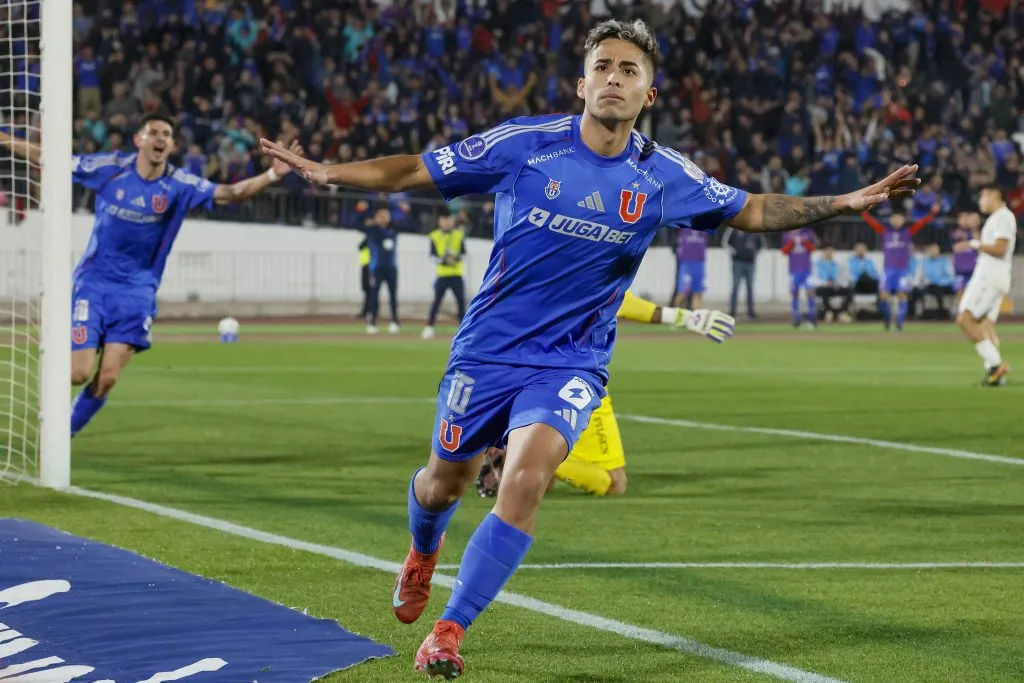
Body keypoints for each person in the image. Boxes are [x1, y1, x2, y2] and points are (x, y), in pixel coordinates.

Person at [260, 18, 919, 679]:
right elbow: (414, 169)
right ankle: (422, 552)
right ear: (581, 83)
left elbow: (752, 209)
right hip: (487, 350)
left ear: (648, 96)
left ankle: (449, 630)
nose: (614, 77)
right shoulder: (524, 145)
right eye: (603, 66)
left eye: (629, 71)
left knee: (525, 478)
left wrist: (847, 201)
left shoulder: (663, 174)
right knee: (442, 483)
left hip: (572, 360)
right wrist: (328, 173)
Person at [0, 113, 301, 437]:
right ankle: (48, 397)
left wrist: (271, 174)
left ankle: (59, 439)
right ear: (139, 140)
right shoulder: (110, 168)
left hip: (138, 293)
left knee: (108, 378)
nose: (160, 138)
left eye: (166, 134)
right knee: (78, 372)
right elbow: (51, 159)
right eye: (153, 132)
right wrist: (4, 139)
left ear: (171, 145)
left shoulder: (179, 185)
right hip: (94, 285)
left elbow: (231, 192)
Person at [474, 291, 734, 498]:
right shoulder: (590, 269)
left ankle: (521, 450)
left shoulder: (543, 273)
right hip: (579, 385)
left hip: (545, 381)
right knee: (612, 483)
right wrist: (685, 318)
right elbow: (621, 299)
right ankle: (516, 452)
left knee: (542, 482)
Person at [953, 186, 1016, 386]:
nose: (980, 200)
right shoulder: (997, 218)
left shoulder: (1003, 217)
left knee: (965, 319)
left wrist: (974, 244)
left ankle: (996, 365)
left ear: (994, 196)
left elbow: (1000, 248)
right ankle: (995, 375)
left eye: (983, 196)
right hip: (993, 277)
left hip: (989, 278)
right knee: (984, 325)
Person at [861, 205, 939, 330]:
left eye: (899, 218)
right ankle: (887, 318)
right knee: (883, 295)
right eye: (894, 218)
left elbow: (921, 223)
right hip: (888, 269)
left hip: (902, 270)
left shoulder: (907, 232)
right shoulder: (885, 231)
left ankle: (900, 322)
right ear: (891, 220)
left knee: (902, 294)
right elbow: (872, 223)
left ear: (903, 220)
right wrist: (863, 213)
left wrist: (932, 214)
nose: (896, 220)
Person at [422, 210, 467, 340]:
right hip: (442, 274)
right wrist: (444, 260)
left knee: (460, 302)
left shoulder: (459, 235)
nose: (446, 223)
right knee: (436, 301)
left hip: (456, 273)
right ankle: (429, 327)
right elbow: (432, 256)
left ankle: (463, 330)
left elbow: (463, 254)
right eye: (444, 220)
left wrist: (454, 259)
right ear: (439, 221)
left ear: (452, 221)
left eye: (448, 220)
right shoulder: (434, 235)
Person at [362, 206, 401, 334]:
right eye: (381, 216)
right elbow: (356, 224)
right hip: (377, 268)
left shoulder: (394, 228)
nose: (384, 218)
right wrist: (371, 221)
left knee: (393, 295)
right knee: (374, 295)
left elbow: (410, 224)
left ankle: (395, 321)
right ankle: (373, 321)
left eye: (386, 215)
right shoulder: (372, 230)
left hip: (391, 267)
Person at [721, 225, 766, 320]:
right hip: (737, 262)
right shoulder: (734, 227)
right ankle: (732, 311)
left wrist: (754, 254)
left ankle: (751, 312)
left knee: (750, 287)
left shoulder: (755, 228)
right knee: (735, 287)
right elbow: (725, 243)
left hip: (750, 263)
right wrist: (734, 253)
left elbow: (762, 244)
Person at [781, 228, 817, 328]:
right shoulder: (787, 234)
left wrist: (805, 242)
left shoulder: (808, 232)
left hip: (807, 269)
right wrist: (791, 243)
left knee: (810, 292)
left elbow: (812, 249)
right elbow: (784, 251)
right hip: (794, 269)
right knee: (794, 293)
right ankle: (796, 318)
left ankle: (812, 317)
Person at [813, 246, 851, 322]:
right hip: (822, 287)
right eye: (827, 251)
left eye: (831, 251)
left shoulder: (838, 265)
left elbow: (844, 277)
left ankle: (842, 312)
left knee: (849, 291)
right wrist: (824, 283)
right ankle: (828, 311)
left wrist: (838, 283)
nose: (829, 253)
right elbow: (814, 278)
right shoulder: (817, 264)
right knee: (824, 291)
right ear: (823, 252)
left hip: (835, 286)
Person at [673, 227, 708, 309]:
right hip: (686, 261)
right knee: (683, 292)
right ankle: (674, 313)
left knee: (698, 292)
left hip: (700, 261)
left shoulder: (706, 223)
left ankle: (697, 317)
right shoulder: (685, 222)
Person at [951, 211, 981, 297]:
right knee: (960, 291)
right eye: (963, 218)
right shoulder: (957, 232)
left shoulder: (977, 233)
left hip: (974, 268)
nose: (965, 220)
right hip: (961, 269)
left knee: (975, 293)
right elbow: (956, 247)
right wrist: (971, 244)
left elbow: (979, 246)